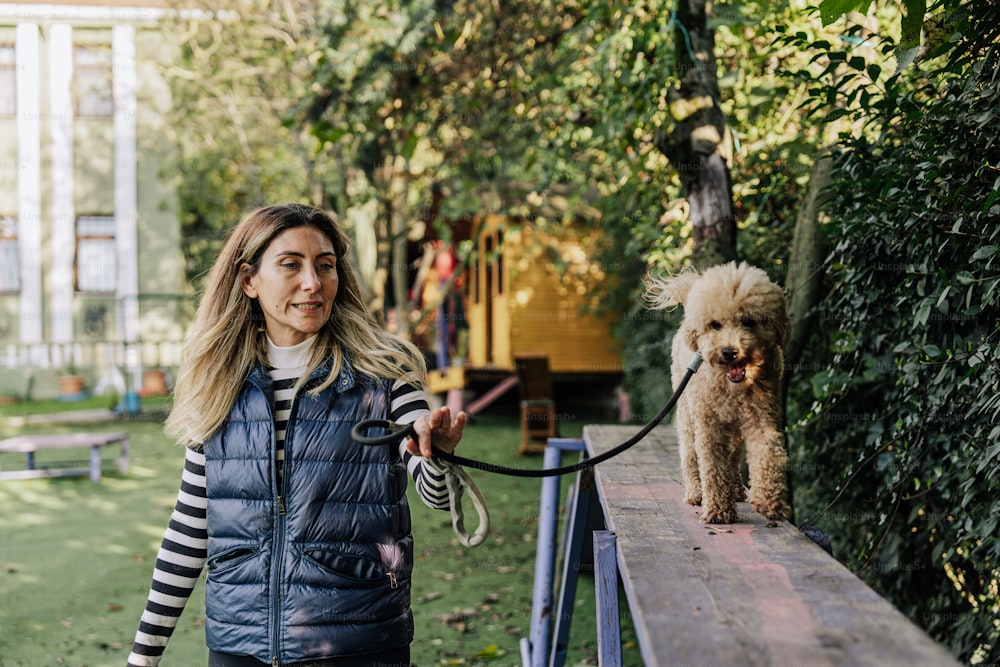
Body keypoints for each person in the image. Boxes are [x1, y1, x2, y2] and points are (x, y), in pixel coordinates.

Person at [127, 203, 467, 667]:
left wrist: (438, 455)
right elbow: (191, 526)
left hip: (357, 640)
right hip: (239, 642)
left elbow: (437, 495)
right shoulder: (220, 383)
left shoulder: (385, 372)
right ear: (249, 280)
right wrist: (144, 656)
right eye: (291, 265)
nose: (313, 282)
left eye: (325, 266)